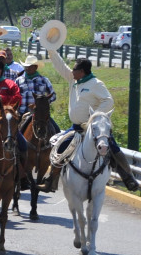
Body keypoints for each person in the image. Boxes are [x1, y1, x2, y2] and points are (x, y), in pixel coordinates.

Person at [39, 57, 138, 192]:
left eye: (74, 69)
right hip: (76, 127)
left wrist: (94, 117)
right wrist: (51, 51)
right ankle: (52, 181)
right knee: (59, 147)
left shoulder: (96, 84)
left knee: (113, 148)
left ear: (82, 71)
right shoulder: (74, 81)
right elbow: (61, 66)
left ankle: (128, 177)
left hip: (94, 128)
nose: (71, 71)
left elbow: (108, 101)